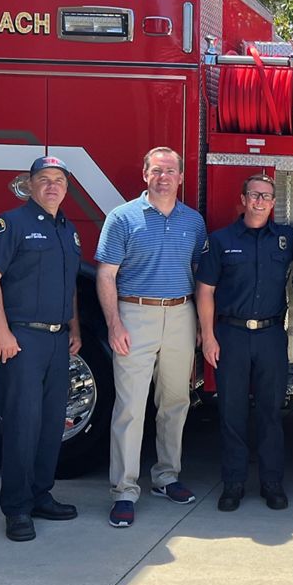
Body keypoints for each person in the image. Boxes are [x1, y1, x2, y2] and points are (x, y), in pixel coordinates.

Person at [96, 147, 207, 528]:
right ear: (145, 175)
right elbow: (106, 274)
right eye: (156, 171)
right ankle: (124, 491)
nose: (163, 177)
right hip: (135, 314)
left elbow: (198, 274)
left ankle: (166, 477)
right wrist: (114, 324)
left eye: (170, 171)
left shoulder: (194, 222)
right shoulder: (122, 218)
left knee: (176, 401)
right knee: (130, 407)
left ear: (180, 177)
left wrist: (198, 326)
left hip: (180, 313)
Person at [0, 155, 82, 542]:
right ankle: (17, 508)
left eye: (59, 180)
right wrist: (0, 331)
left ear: (66, 188)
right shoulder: (11, 224)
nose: (52, 186)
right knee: (22, 424)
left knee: (53, 423)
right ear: (30, 184)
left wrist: (75, 328)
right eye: (44, 179)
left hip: (57, 340)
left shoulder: (68, 231)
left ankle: (40, 494)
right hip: (21, 340)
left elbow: (69, 285)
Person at [196, 174, 293, 512]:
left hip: (270, 335)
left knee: (271, 412)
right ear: (242, 199)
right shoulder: (221, 240)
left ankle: (272, 483)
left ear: (273, 203)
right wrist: (208, 336)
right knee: (232, 412)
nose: (260, 201)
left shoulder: (286, 239)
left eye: (267, 196)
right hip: (232, 336)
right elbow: (206, 291)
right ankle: (234, 483)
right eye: (254, 195)